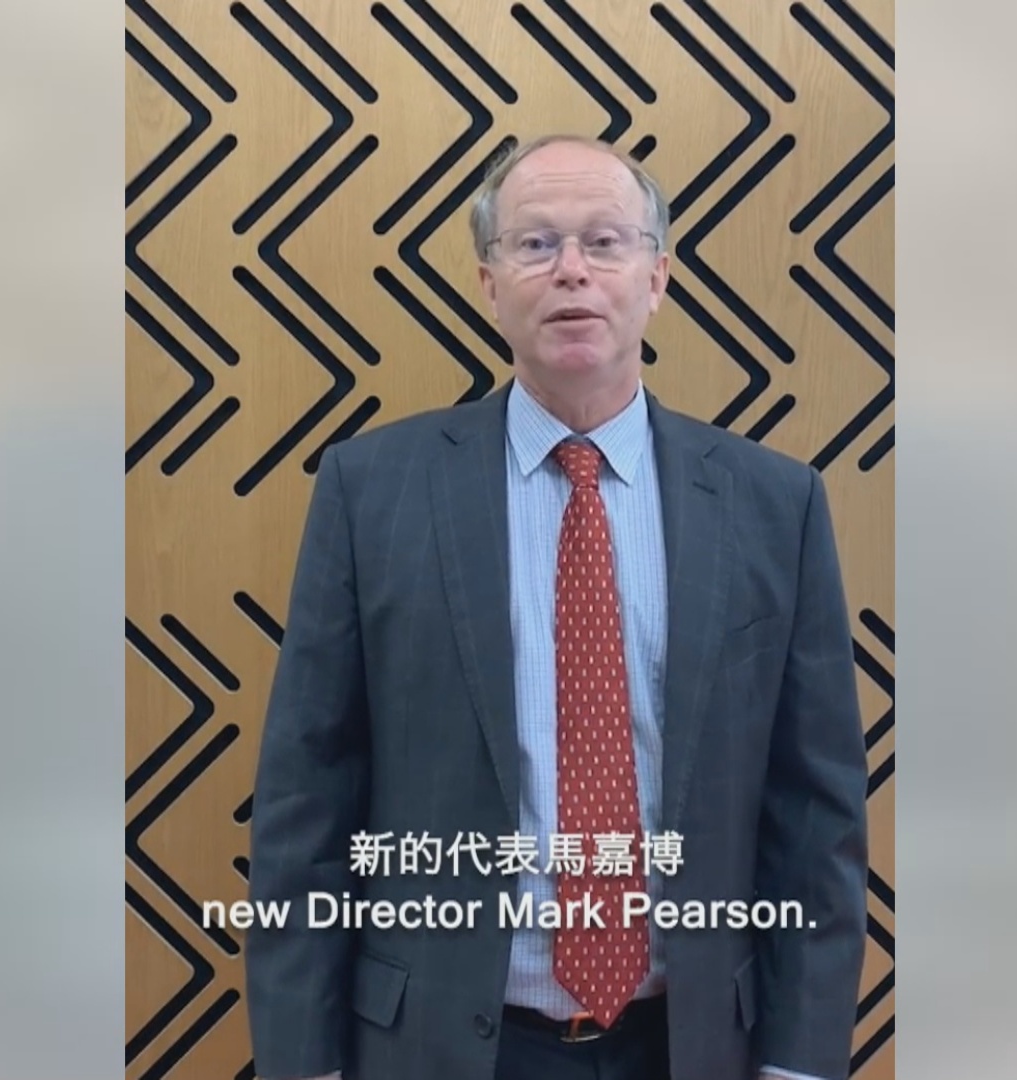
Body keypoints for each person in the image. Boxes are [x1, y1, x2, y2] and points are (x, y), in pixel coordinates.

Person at [244, 134, 869, 1080]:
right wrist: (304, 1062)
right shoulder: (371, 491)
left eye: (604, 242)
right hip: (441, 1046)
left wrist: (800, 1064)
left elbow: (817, 817)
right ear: (489, 284)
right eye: (535, 244)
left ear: (657, 277)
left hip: (695, 1044)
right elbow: (307, 796)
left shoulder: (774, 504)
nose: (572, 269)